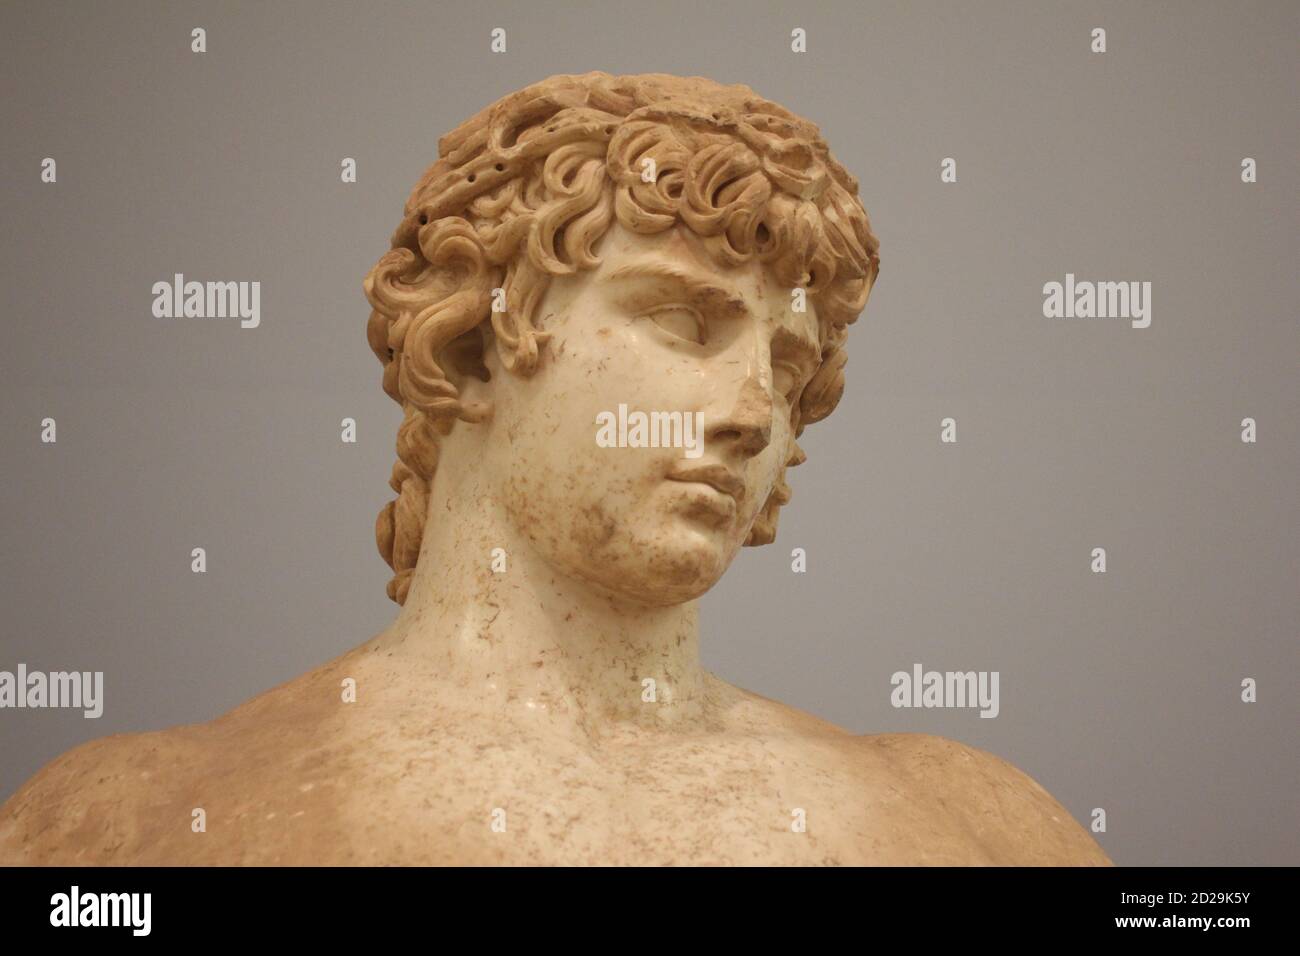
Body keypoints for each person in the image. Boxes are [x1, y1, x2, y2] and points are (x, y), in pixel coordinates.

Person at [0, 72, 1110, 865]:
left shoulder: (979, 828)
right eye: (683, 320)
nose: (752, 411)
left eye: (790, 358)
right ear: (477, 345)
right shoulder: (130, 827)